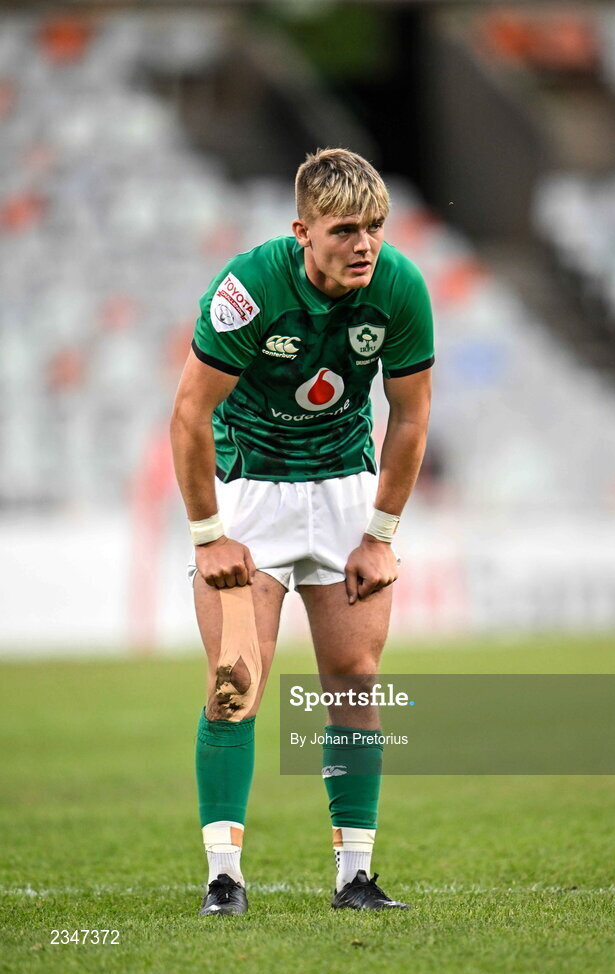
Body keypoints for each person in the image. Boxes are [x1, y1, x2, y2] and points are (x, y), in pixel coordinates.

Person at [170, 148, 434, 915]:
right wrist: (207, 533)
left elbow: (411, 414)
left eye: (375, 229)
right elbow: (189, 411)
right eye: (345, 229)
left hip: (346, 491)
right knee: (234, 686)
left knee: (354, 680)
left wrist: (380, 534)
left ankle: (355, 875)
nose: (364, 245)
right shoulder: (247, 289)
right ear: (301, 232)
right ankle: (224, 878)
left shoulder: (399, 286)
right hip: (251, 494)